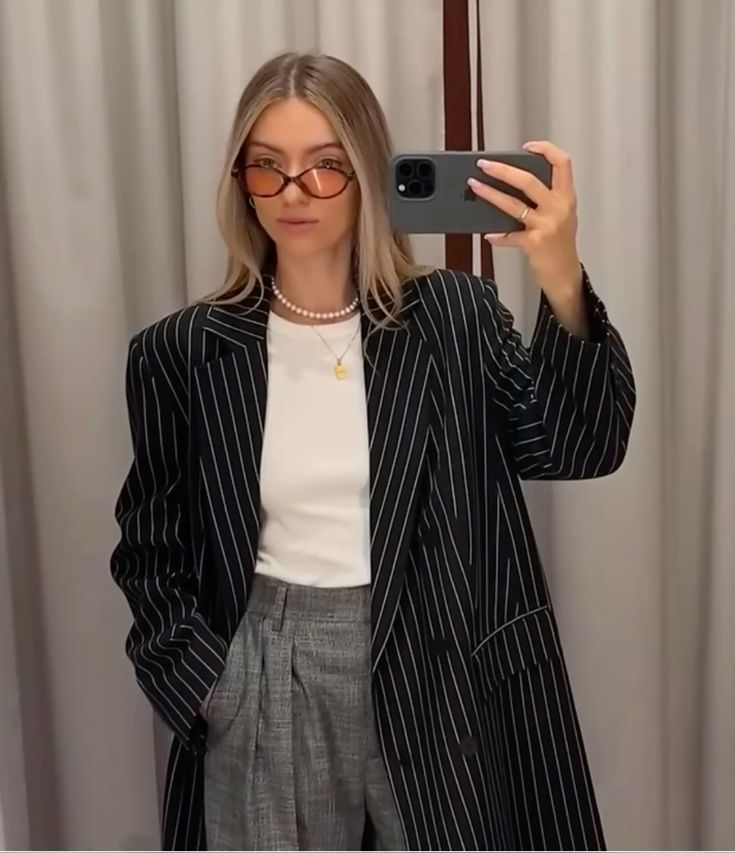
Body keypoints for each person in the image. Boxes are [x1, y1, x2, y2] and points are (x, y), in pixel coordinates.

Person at [110, 51, 635, 852]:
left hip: (437, 663)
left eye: (325, 166)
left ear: (366, 174)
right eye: (267, 166)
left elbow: (578, 444)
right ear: (239, 180)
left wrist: (558, 272)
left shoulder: (452, 317)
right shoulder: (181, 352)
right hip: (265, 666)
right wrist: (210, 685)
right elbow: (150, 545)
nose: (293, 192)